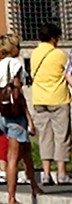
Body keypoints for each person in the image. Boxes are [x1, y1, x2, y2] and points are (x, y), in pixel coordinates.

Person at [0, 35, 33, 204]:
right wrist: (28, 117)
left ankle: (34, 186)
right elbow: (18, 92)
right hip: (14, 115)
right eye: (17, 45)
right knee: (13, 156)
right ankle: (11, 199)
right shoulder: (15, 64)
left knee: (26, 150)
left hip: (1, 113)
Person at [31, 22, 70, 189]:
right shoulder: (60, 54)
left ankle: (46, 174)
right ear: (54, 38)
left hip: (39, 99)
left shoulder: (34, 53)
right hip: (58, 98)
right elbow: (67, 75)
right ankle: (61, 173)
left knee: (45, 136)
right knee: (61, 136)